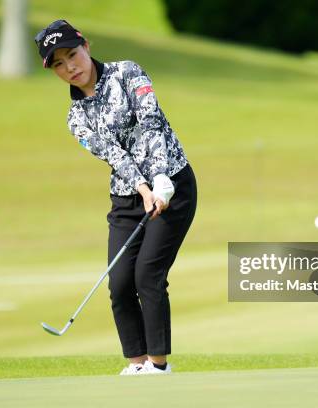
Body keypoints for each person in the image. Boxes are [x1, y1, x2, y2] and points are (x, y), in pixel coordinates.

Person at [34, 20, 197, 375]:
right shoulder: (76, 118)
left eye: (72, 55)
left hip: (173, 183)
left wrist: (159, 178)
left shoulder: (128, 72)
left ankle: (158, 365)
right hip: (129, 196)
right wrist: (142, 189)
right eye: (58, 64)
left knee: (147, 275)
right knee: (120, 281)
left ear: (87, 46)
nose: (70, 67)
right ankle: (136, 365)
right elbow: (116, 156)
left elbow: (150, 123)